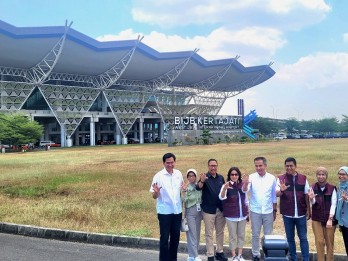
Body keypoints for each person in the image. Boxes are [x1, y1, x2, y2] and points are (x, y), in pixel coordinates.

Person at [150, 153, 184, 261]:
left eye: (172, 162)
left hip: (177, 211)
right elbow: (154, 196)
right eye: (167, 163)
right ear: (163, 163)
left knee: (175, 238)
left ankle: (173, 259)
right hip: (164, 211)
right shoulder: (158, 176)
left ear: (175, 162)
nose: (170, 165)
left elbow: (181, 190)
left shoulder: (178, 174)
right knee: (164, 238)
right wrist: (156, 192)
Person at [242, 156, 277, 261]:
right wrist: (245, 183)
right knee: (255, 234)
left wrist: (274, 210)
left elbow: (274, 196)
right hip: (255, 210)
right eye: (256, 166)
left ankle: (268, 255)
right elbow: (245, 191)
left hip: (268, 210)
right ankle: (256, 254)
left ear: (265, 165)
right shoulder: (251, 177)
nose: (258, 168)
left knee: (268, 235)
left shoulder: (271, 178)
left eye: (260, 165)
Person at [276, 157, 310, 261]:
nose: (289, 168)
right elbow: (277, 193)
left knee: (303, 238)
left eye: (291, 166)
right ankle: (293, 258)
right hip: (287, 214)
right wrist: (281, 190)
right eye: (287, 166)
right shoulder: (281, 178)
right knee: (290, 239)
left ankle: (306, 258)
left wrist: (309, 209)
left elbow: (306, 195)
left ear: (295, 166)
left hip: (301, 214)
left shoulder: (303, 178)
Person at [197, 159, 228, 261]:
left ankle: (219, 252)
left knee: (220, 232)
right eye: (211, 165)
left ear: (217, 166)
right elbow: (199, 187)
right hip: (208, 210)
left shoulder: (220, 178)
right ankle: (210, 254)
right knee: (209, 233)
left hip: (220, 209)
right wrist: (202, 180)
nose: (213, 167)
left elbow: (224, 191)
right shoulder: (204, 177)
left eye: (215, 165)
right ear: (208, 166)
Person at [219, 167, 248, 261]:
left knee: (241, 235)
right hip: (231, 216)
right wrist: (224, 189)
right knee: (232, 237)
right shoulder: (226, 185)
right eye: (232, 174)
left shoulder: (241, 185)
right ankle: (233, 255)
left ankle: (240, 255)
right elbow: (221, 197)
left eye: (236, 174)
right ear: (229, 176)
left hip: (242, 216)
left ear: (238, 175)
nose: (234, 176)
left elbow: (245, 196)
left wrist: (246, 183)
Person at [308, 167, 337, 261]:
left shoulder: (332, 188)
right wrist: (312, 198)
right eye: (319, 174)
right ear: (316, 176)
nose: (321, 176)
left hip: (330, 219)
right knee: (319, 242)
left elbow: (334, 204)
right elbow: (313, 203)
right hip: (317, 219)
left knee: (329, 243)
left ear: (326, 176)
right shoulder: (312, 187)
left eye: (323, 174)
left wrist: (330, 219)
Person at [182, 169, 203, 261]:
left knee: (197, 233)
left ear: (195, 176)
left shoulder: (198, 186)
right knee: (191, 234)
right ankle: (194, 255)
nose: (191, 177)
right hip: (190, 211)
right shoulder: (186, 187)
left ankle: (192, 255)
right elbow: (184, 200)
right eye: (189, 176)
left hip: (199, 211)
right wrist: (184, 191)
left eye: (193, 175)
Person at [336, 166, 348, 257]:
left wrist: (347, 199)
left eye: (343, 174)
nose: (341, 176)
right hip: (343, 222)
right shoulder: (340, 187)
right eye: (339, 174)